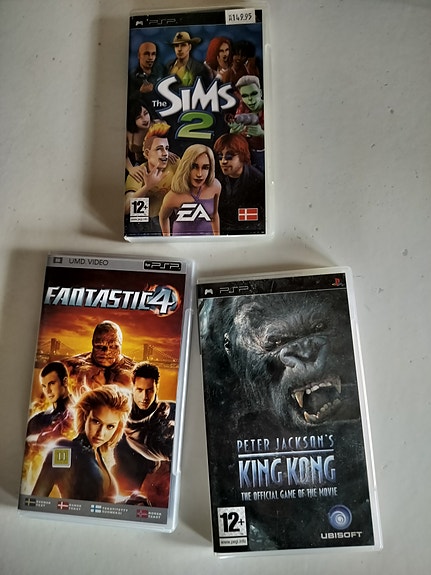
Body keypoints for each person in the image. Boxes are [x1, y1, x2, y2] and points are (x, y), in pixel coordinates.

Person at [32, 385, 132, 502]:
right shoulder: (65, 449)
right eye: (96, 421)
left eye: (110, 426)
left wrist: (129, 502)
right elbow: (36, 500)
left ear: (117, 427)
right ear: (85, 416)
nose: (101, 433)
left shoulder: (99, 454)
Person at [113, 363, 175, 507]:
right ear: (132, 387)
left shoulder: (171, 411)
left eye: (149, 390)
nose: (144, 397)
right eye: (139, 390)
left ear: (157, 388)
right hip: (127, 487)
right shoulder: (120, 414)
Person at [124, 122, 178, 235]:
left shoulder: (174, 164)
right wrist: (147, 187)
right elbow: (126, 208)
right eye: (159, 149)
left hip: (170, 221)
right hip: (144, 225)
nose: (165, 153)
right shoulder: (138, 173)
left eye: (167, 148)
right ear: (147, 153)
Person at [159, 144, 221, 236]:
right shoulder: (173, 196)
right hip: (181, 243)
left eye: (205, 167)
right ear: (186, 166)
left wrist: (217, 239)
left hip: (208, 242)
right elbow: (163, 217)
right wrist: (167, 239)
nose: (199, 174)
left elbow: (214, 215)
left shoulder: (215, 186)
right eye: (194, 167)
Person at [64, 320, 134, 398]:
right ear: (93, 343)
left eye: (113, 346)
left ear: (120, 345)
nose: (106, 351)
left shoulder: (135, 371)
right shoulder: (71, 366)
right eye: (99, 346)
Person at [214, 133, 265, 235]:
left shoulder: (258, 180)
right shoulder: (214, 178)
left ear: (242, 156)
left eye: (229, 156)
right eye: (220, 156)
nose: (223, 161)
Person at [26, 361, 74, 443]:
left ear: (65, 382)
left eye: (52, 383)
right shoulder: (37, 420)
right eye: (44, 386)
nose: (48, 391)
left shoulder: (82, 412)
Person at [229, 75, 264, 171]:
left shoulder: (271, 108)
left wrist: (261, 133)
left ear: (260, 93)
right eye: (245, 96)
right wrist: (234, 131)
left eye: (253, 94)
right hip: (247, 155)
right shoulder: (242, 108)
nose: (250, 99)